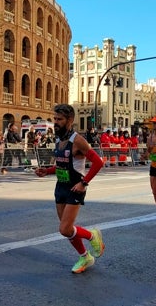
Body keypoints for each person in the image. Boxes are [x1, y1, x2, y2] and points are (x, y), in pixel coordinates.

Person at [34, 104, 105, 274]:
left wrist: (84, 183)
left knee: (65, 229)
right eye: (54, 119)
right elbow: (61, 165)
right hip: (60, 187)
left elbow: (98, 163)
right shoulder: (59, 139)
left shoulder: (78, 140)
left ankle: (91, 235)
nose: (55, 122)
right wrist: (47, 171)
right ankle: (85, 256)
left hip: (75, 187)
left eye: (59, 119)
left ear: (70, 120)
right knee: (67, 230)